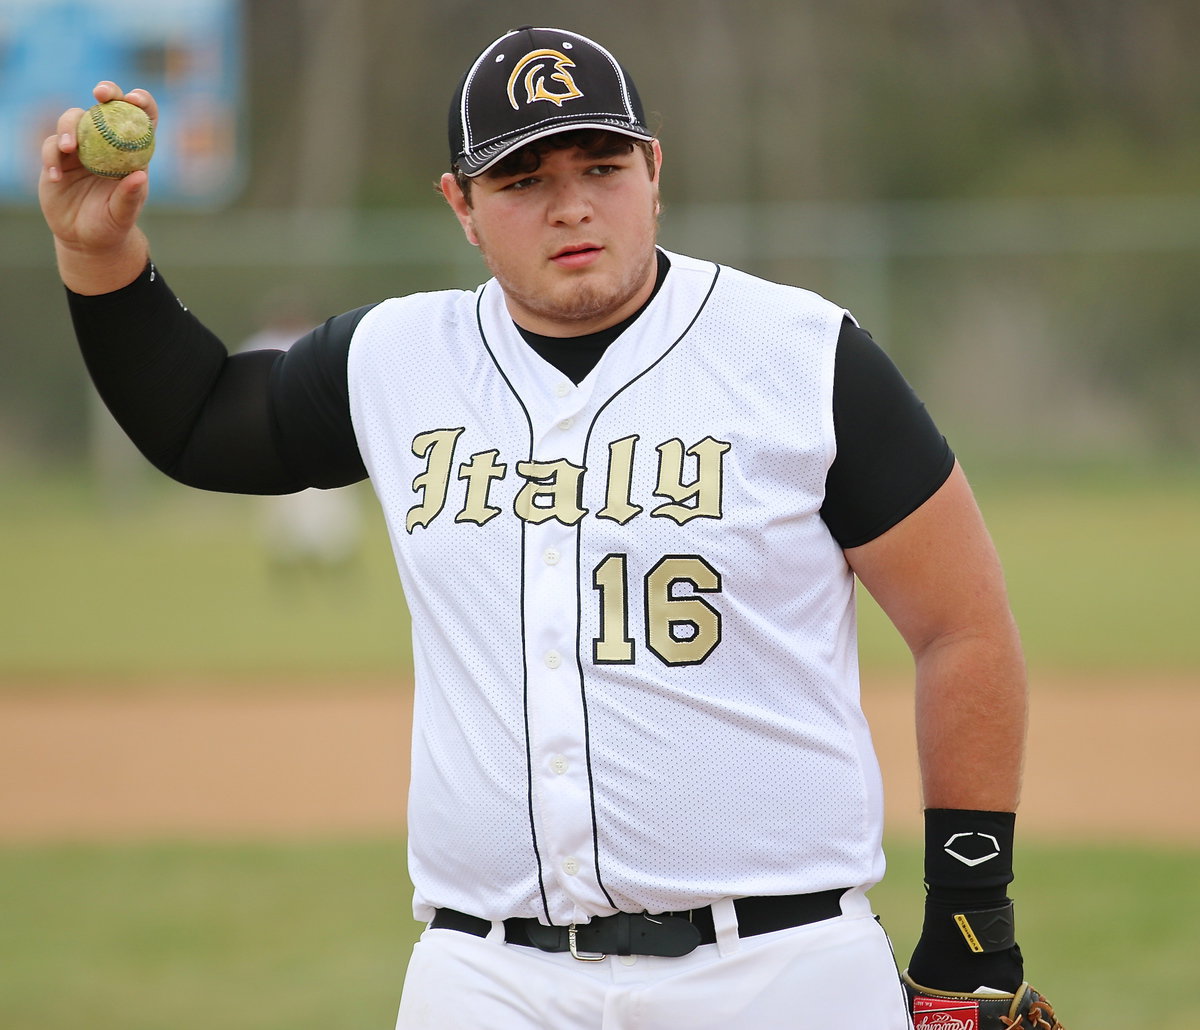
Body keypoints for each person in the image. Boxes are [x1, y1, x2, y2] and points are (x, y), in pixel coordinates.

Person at [39, 26, 1063, 1030]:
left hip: (780, 967)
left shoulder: (802, 356)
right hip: (486, 976)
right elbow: (199, 421)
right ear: (462, 206)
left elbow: (962, 627)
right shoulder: (398, 359)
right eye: (522, 180)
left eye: (602, 166)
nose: (571, 205)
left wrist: (972, 924)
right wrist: (100, 251)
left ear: (654, 172)